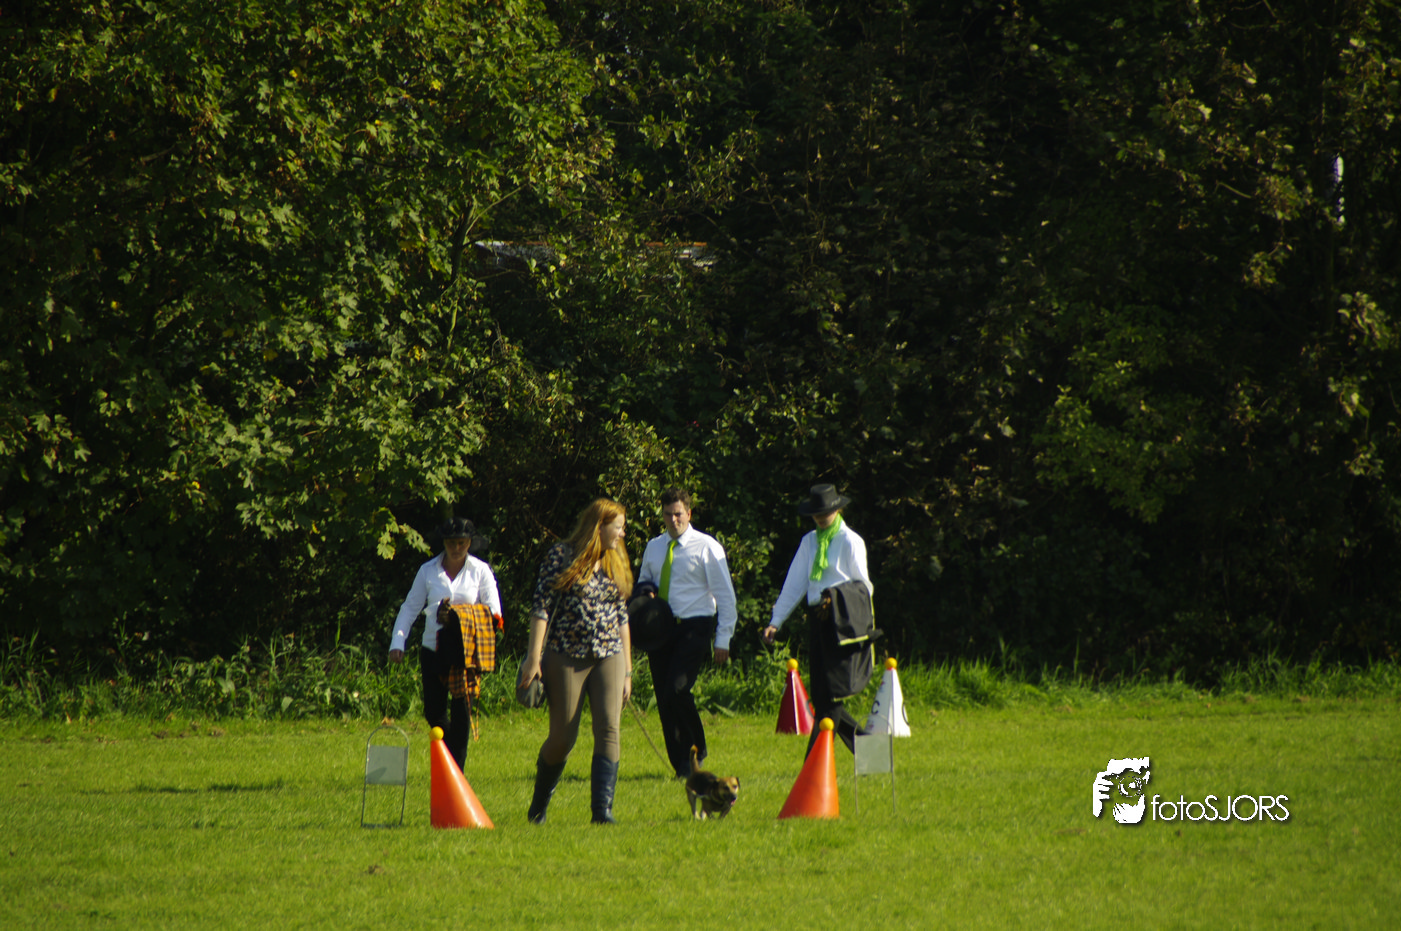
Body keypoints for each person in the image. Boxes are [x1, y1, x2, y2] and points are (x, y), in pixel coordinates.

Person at [517, 498, 634, 825]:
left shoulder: (615, 558)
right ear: (599, 526)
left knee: (609, 729)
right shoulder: (561, 556)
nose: (622, 534)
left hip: (609, 654)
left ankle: (602, 812)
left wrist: (627, 670)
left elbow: (622, 617)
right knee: (562, 738)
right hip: (565, 655)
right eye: (618, 527)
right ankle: (538, 807)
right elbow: (542, 607)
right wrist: (533, 659)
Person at [763, 484, 873, 756]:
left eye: (825, 512)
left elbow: (864, 588)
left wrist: (834, 597)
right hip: (817, 620)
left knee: (831, 698)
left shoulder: (851, 541)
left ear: (837, 509)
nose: (821, 518)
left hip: (841, 621)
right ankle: (871, 752)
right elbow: (794, 584)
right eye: (816, 513)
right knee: (823, 698)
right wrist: (776, 621)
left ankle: (812, 763)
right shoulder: (809, 542)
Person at [635, 488, 738, 779]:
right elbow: (644, 581)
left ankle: (698, 747)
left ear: (689, 513)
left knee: (677, 689)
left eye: (678, 514)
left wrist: (723, 639)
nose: (673, 520)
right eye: (668, 514)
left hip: (695, 625)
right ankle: (682, 764)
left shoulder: (707, 547)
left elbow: (725, 596)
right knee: (664, 697)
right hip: (661, 629)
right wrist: (646, 593)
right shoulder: (655, 546)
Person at [388, 516, 502, 771]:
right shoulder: (427, 570)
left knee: (462, 717)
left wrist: (458, 616)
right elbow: (410, 607)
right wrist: (398, 641)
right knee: (433, 712)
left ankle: (456, 772)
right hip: (433, 649)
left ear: (470, 542)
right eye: (451, 542)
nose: (456, 548)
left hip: (466, 653)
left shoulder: (481, 570)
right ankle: (451, 761)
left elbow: (494, 612)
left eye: (461, 542)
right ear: (444, 543)